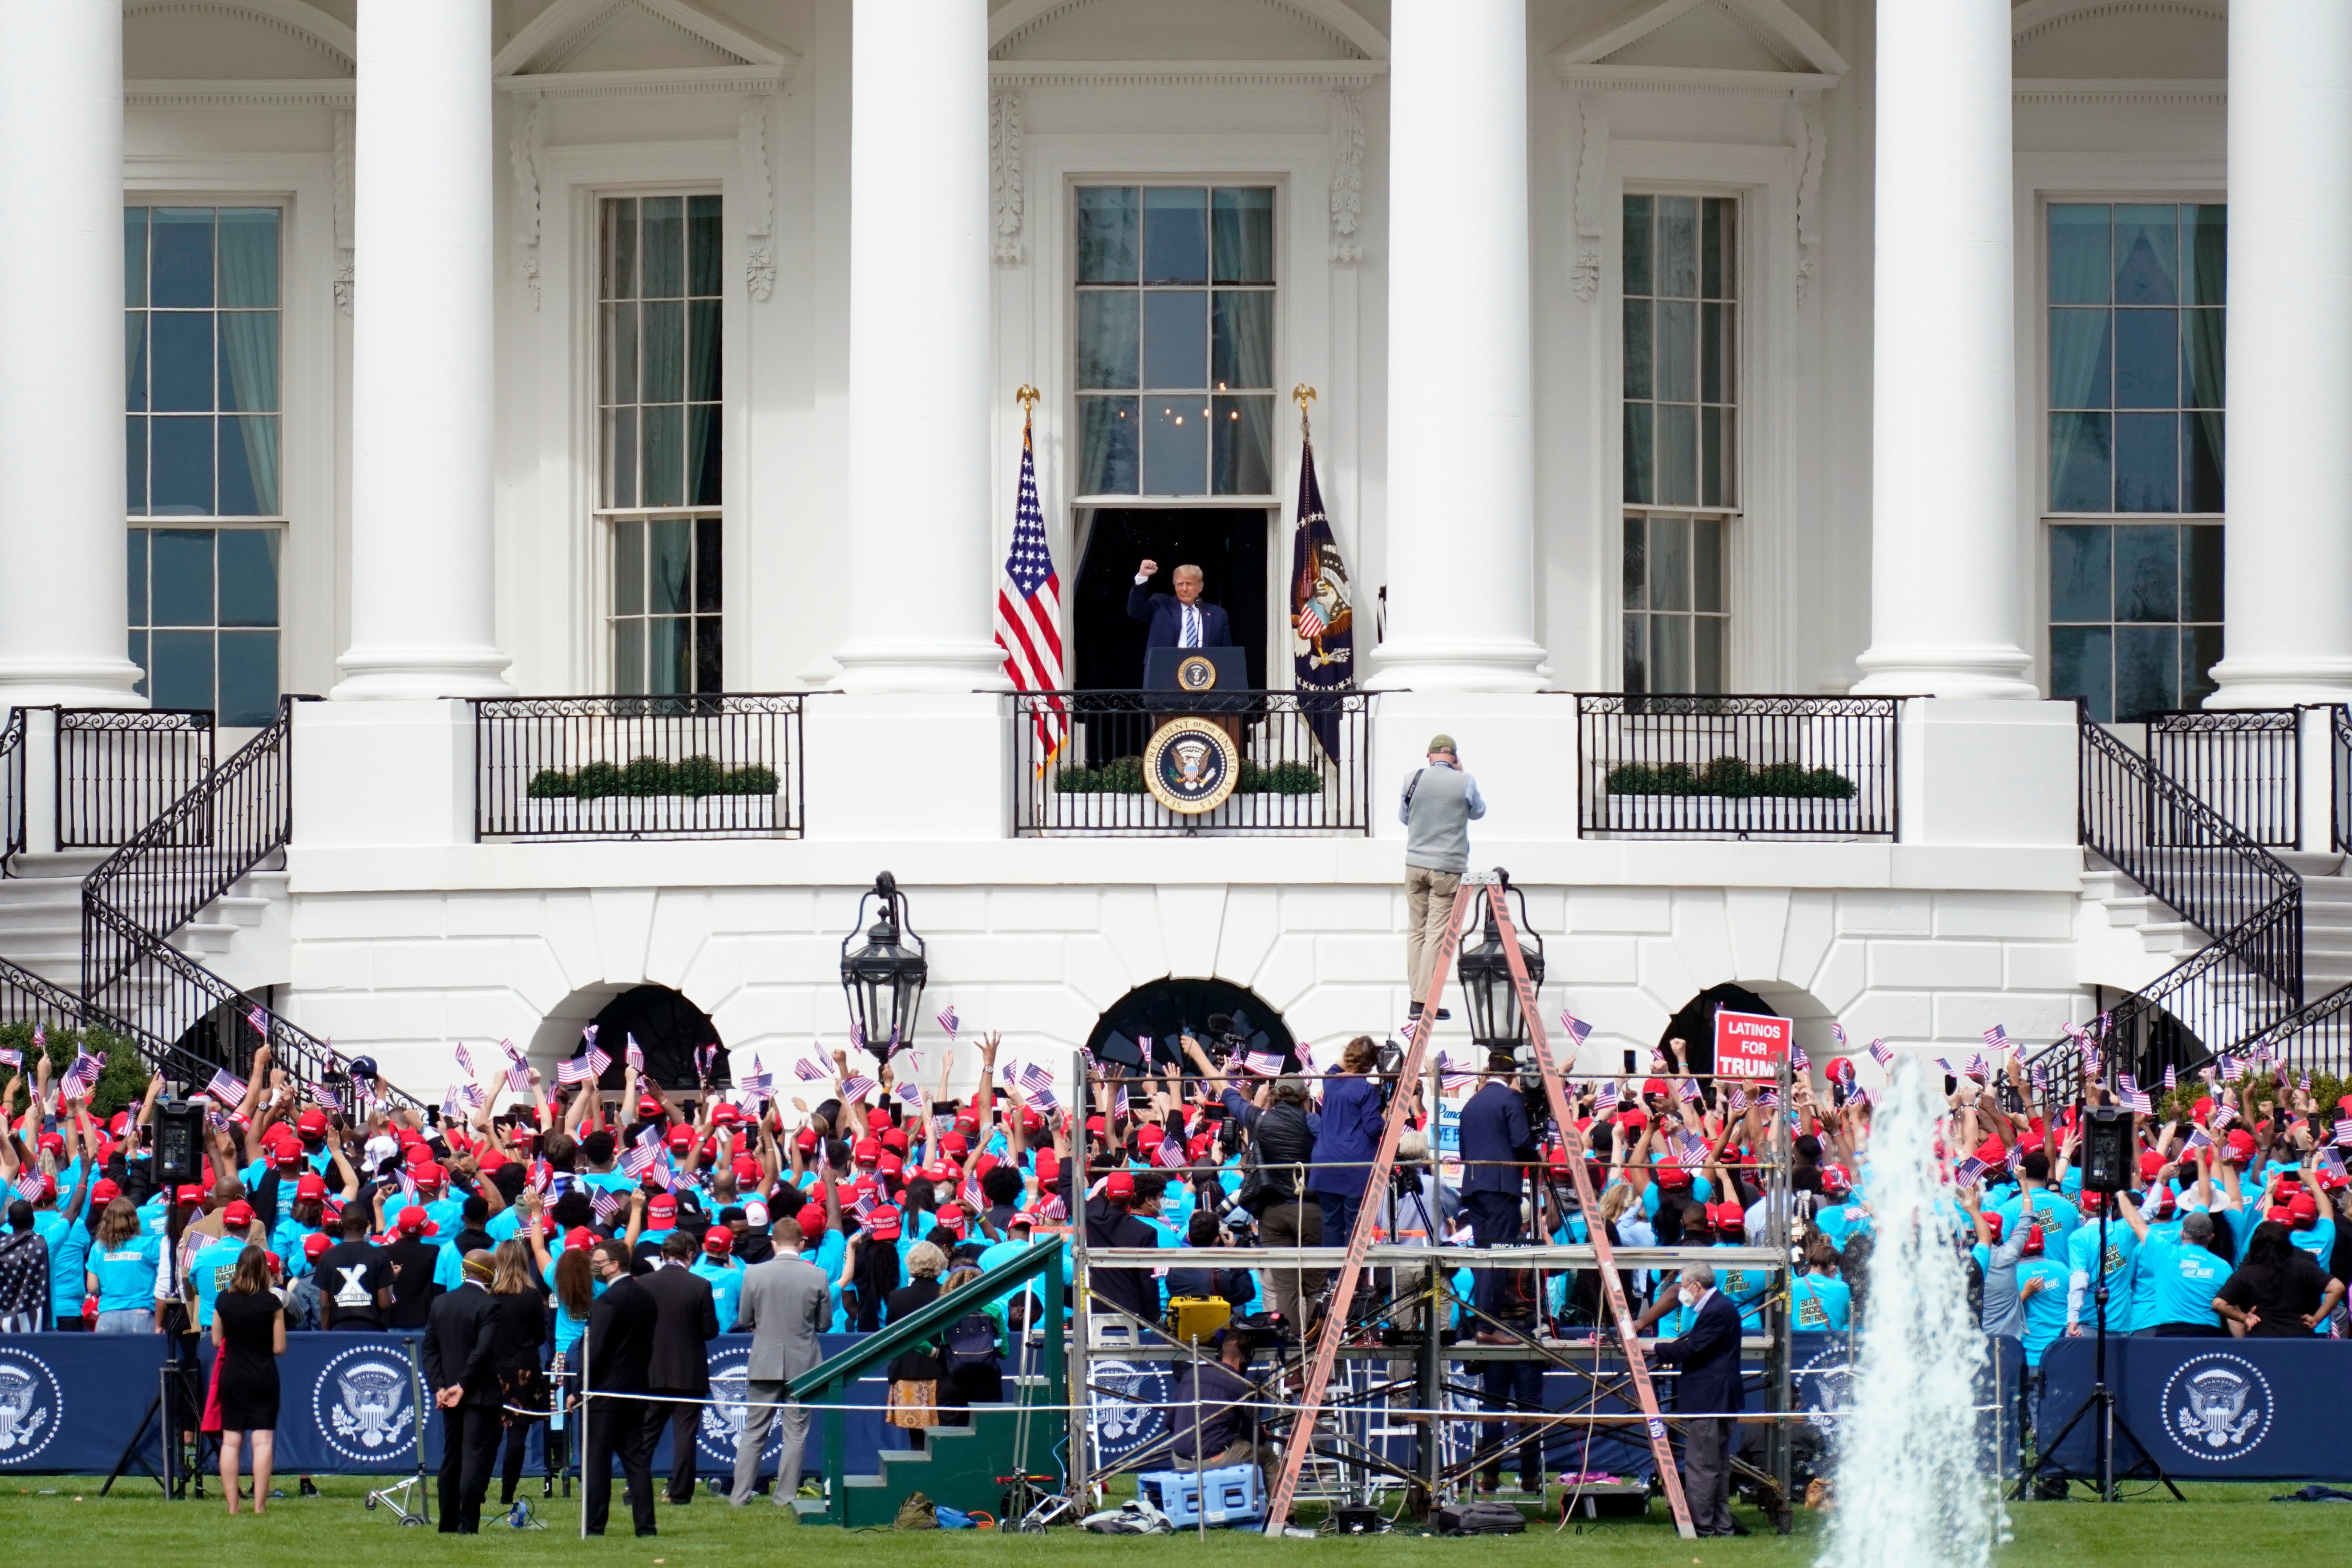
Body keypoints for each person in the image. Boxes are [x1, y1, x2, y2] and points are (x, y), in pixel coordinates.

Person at [731, 1215, 831, 1508]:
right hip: (804, 1365)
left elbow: (744, 1319)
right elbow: (824, 1324)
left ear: (773, 1244)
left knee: (753, 1432)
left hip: (765, 1361)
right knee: (795, 1434)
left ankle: (739, 1496)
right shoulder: (818, 1275)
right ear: (801, 1244)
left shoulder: (753, 1274)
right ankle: (785, 1496)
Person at [1651, 1263, 1744, 1538]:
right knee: (1717, 1467)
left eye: (1683, 1286)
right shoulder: (1720, 1307)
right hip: (1718, 1400)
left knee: (1702, 1466)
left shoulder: (1716, 1310)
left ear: (1696, 1286)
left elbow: (1693, 1349)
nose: (1681, 1292)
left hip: (1711, 1400)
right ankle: (1721, 1525)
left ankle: (1702, 1526)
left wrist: (1654, 1347)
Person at [1399, 735, 1485, 1015]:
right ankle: (1423, 1001)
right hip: (1446, 868)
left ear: (1430, 755)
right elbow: (1479, 812)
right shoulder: (1465, 781)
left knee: (1416, 932)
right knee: (1436, 934)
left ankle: (1417, 997)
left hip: (1414, 866)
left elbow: (1404, 818)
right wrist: (1461, 774)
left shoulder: (1412, 779)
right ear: (1455, 757)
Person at [583, 1240, 662, 1537]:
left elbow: (596, 1350)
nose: (595, 1266)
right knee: (637, 1460)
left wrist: (581, 1386)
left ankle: (594, 1526)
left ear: (614, 1265)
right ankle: (646, 1526)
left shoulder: (608, 1301)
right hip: (636, 1388)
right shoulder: (646, 1296)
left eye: (599, 1262)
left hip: (605, 1392)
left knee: (598, 1462)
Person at [423, 1249, 502, 1533]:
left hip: (449, 1394)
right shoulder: (489, 1306)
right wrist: (463, 1385)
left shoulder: (441, 1302)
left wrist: (440, 1386)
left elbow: (430, 1349)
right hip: (478, 1394)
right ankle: (467, 1524)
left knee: (452, 1456)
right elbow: (482, 1350)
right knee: (473, 1459)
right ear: (489, 1274)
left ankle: (447, 1522)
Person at [641, 1229, 719, 1504]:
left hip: (651, 1371)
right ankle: (680, 1493)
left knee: (646, 1433)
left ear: (663, 1255)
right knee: (685, 1434)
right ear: (691, 1255)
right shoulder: (700, 1285)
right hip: (688, 1372)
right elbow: (710, 1330)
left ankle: (636, 1488)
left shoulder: (644, 1284)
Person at [210, 1246, 285, 1516]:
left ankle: (233, 1506)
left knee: (231, 1441)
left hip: (232, 1373)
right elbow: (279, 1347)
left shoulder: (224, 1300)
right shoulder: (271, 1303)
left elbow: (216, 1340)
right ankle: (260, 1506)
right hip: (263, 1374)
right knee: (262, 1441)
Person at [1458, 1050, 1534, 1317]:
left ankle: (1482, 1320)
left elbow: (1464, 1151)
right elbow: (1521, 1141)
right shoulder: (1510, 1098)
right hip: (1501, 1188)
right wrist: (1536, 1158)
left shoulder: (1471, 1103)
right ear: (1511, 1075)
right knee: (1498, 1256)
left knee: (1483, 1256)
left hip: (1474, 1187)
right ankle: (1487, 1324)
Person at [1162, 1329, 1273, 1495]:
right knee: (1268, 1455)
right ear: (1245, 1361)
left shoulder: (1190, 1375)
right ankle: (1284, 1511)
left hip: (1179, 1460)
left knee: (1232, 1441)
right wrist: (1262, 1433)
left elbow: (1170, 1423)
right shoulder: (1240, 1385)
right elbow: (1255, 1437)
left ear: (1219, 1354)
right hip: (1212, 1460)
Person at [487, 1240, 553, 1506]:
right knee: (518, 1433)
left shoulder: (489, 1296)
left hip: (493, 1370)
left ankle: (478, 1488)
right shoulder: (532, 1296)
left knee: (489, 1433)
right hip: (524, 1371)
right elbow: (540, 1337)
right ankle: (507, 1494)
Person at [1310, 1036, 1386, 1247]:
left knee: (1331, 1224)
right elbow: (1374, 1128)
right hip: (1354, 1166)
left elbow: (1335, 1067)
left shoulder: (1330, 1081)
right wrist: (1386, 1114)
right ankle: (1352, 1268)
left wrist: (1356, 1054)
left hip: (1325, 1164)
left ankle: (1332, 1268)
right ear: (1370, 1064)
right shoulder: (1366, 1090)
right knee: (1355, 1224)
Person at [2116, 1194, 2228, 1337]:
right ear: (2212, 1237)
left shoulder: (2167, 1254)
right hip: (2209, 1335)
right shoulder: (2224, 1267)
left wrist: (2120, 1193)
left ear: (2182, 1234)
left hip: (2169, 1332)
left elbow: (2135, 1222)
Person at [2217, 1220, 2345, 1338]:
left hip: (2261, 1338)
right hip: (2300, 1337)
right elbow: (2337, 1288)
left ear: (2256, 1243)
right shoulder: (2305, 1267)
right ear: (2287, 1242)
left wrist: (2245, 1318)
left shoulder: (2247, 1273)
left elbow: (2219, 1303)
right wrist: (2317, 1318)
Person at [85, 1196, 164, 1333]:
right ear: (135, 1220)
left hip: (107, 1316)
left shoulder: (98, 1248)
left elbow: (92, 1287)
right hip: (141, 1314)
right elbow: (166, 1279)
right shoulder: (151, 1245)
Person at [1128, 559, 1232, 651]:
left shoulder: (1218, 615)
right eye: (1180, 584)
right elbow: (1135, 611)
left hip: (1203, 667)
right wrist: (1142, 576)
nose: (1184, 589)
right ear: (1175, 587)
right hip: (1165, 666)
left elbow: (1227, 653)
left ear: (1201, 587)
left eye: (1189, 584)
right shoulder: (1161, 605)